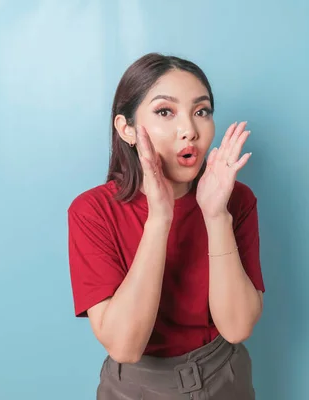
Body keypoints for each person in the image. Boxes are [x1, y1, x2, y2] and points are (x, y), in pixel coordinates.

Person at [67, 53, 265, 400]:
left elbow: (237, 327)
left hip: (225, 377)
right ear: (126, 128)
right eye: (164, 112)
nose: (190, 130)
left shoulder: (236, 200)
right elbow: (125, 346)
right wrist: (159, 217)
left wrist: (216, 215)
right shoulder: (92, 212)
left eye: (201, 111)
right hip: (135, 387)